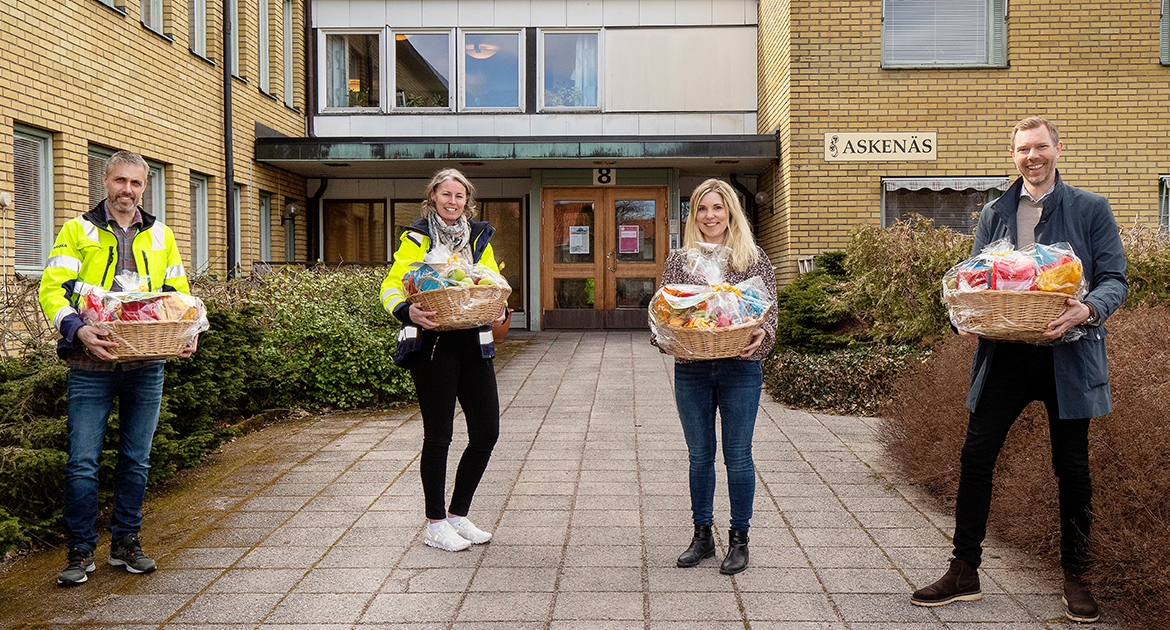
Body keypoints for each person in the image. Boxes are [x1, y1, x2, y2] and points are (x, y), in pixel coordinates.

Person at [910, 117, 1127, 624]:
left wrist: (1087, 309)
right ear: (1013, 156)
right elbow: (975, 275)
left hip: (1069, 355)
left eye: (1041, 147)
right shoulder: (994, 211)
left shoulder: (1090, 208)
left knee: (1071, 468)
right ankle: (964, 570)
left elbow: (1115, 278)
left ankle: (1076, 576)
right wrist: (963, 313)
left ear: (1058, 149)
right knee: (975, 456)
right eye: (1023, 149)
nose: (1033, 157)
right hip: (1005, 353)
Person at [38, 151, 198, 586]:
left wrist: (187, 329)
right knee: (82, 462)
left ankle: (126, 543)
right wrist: (76, 328)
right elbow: (52, 288)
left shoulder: (161, 234)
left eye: (136, 184)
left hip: (146, 363)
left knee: (136, 460)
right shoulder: (79, 230)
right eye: (120, 181)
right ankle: (80, 550)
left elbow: (177, 294)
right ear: (105, 180)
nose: (127, 190)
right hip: (90, 364)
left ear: (145, 187)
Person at [652, 179, 778, 575]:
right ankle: (702, 536)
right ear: (694, 216)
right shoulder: (679, 260)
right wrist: (666, 339)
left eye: (717, 208)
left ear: (730, 213)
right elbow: (664, 314)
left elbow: (770, 314)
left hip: (740, 366)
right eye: (703, 209)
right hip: (691, 367)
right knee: (699, 457)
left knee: (738, 456)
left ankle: (739, 539)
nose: (710, 216)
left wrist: (763, 335)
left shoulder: (753, 257)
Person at [379, 168, 507, 552]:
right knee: (439, 436)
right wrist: (406, 311)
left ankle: (457, 514)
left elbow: (492, 281)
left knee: (487, 432)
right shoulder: (417, 237)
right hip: (433, 345)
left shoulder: (479, 237)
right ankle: (435, 523)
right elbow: (389, 285)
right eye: (446, 194)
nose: (453, 202)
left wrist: (497, 306)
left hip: (474, 342)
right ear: (433, 196)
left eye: (460, 196)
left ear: (468, 201)